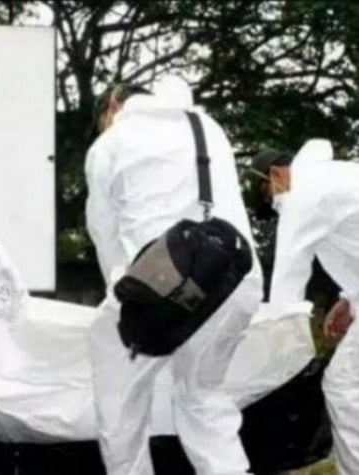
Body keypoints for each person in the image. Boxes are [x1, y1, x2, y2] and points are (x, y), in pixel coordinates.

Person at [85, 76, 263, 474]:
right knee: (202, 393)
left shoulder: (111, 142)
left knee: (119, 397)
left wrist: (120, 295)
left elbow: (105, 234)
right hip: (235, 275)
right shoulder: (208, 127)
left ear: (113, 106)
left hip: (166, 280)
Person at [249, 139, 359, 475]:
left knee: (343, 385)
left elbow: (287, 285)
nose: (276, 206)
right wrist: (349, 299)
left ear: (276, 175)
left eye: (270, 197)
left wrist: (268, 350)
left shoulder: (302, 196)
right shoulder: (337, 176)